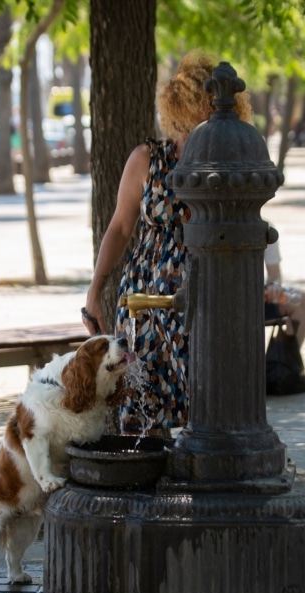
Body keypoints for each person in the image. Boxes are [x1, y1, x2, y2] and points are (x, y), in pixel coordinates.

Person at [82, 50, 254, 435]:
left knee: (204, 400)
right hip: (144, 298)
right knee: (143, 401)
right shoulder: (147, 158)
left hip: (203, 296)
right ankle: (145, 483)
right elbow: (120, 227)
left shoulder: (227, 161)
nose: (199, 125)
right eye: (195, 113)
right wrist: (95, 291)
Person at [263, 240, 305, 348]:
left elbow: (275, 274)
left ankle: (284, 361)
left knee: (303, 301)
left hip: (258, 297)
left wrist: (273, 287)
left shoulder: (267, 230)